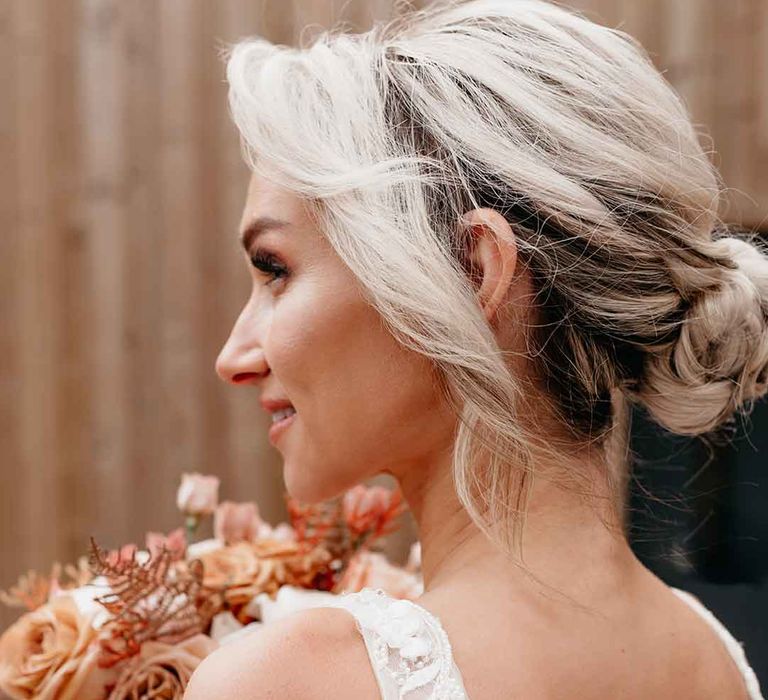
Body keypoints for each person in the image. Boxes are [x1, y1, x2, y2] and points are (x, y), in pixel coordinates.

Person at [185, 0, 767, 697]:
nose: (234, 357)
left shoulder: (298, 678)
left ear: (472, 272)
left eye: (275, 269)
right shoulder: (715, 659)